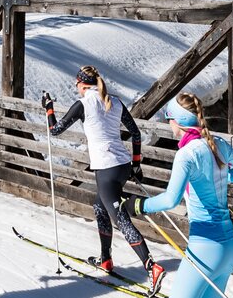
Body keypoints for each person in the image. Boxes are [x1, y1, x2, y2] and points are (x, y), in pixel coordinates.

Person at [122, 93, 233, 298]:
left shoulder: (186, 154)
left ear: (176, 121)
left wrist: (138, 205)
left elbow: (170, 199)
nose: (169, 125)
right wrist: (216, 179)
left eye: (169, 120)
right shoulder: (218, 142)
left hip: (206, 248)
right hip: (229, 247)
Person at [43, 65, 165, 287]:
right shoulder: (115, 101)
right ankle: (106, 259)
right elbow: (136, 133)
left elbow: (55, 130)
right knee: (100, 207)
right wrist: (136, 165)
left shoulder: (83, 104)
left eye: (76, 84)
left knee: (120, 218)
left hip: (106, 169)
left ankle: (152, 267)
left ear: (82, 83)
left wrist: (49, 109)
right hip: (123, 166)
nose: (76, 88)